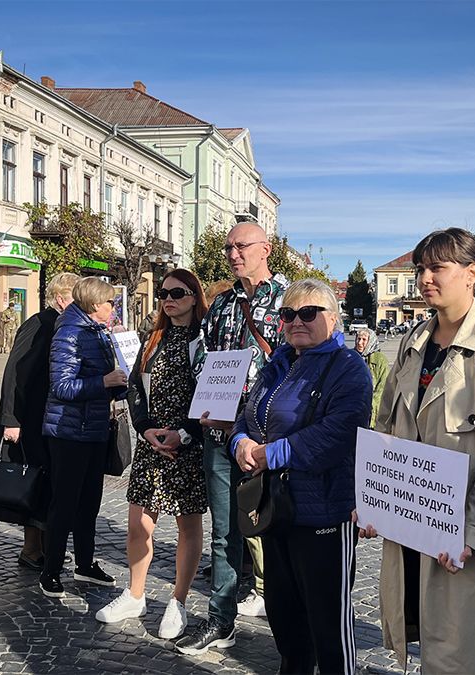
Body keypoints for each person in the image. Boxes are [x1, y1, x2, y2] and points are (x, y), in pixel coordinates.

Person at [362, 227, 475, 673]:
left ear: (472, 273)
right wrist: (374, 501)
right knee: (425, 637)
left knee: (471, 653)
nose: (425, 278)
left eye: (437, 267)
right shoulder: (413, 342)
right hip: (413, 526)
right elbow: (386, 426)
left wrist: (474, 533)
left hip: (466, 534)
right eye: (421, 268)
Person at [233, 279, 372, 673]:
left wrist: (270, 454)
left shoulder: (348, 368)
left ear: (334, 319)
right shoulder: (277, 363)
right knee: (286, 619)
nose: (297, 321)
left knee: (328, 625)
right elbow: (248, 416)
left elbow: (339, 434)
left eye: (309, 313)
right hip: (276, 510)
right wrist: (241, 442)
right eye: (288, 314)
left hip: (324, 511)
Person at [178, 219, 287, 656]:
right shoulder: (222, 303)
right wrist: (206, 399)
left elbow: (299, 365)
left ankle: (288, 626)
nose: (233, 254)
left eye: (241, 246)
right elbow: (201, 356)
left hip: (266, 438)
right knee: (225, 532)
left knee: (276, 530)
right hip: (219, 434)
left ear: (266, 248)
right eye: (228, 248)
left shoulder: (290, 302)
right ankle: (221, 619)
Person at [96, 269, 209, 640]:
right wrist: (144, 428)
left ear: (194, 296)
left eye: (177, 292)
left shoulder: (206, 340)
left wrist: (184, 434)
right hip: (152, 443)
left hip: (186, 446)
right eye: (163, 293)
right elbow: (134, 389)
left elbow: (212, 397)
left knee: (187, 525)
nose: (168, 299)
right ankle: (135, 593)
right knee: (138, 524)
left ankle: (178, 601)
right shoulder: (152, 338)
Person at [39, 276, 127, 598]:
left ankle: (85, 564)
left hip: (93, 428)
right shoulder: (69, 333)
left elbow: (106, 382)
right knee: (65, 502)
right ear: (94, 305)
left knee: (90, 501)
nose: (113, 308)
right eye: (110, 303)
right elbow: (61, 387)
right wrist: (104, 382)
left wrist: (124, 383)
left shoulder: (98, 332)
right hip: (67, 431)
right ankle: (50, 571)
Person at [0, 273, 78, 570]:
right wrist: (10, 420)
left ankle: (44, 546)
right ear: (62, 298)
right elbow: (16, 373)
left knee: (48, 483)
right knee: (33, 481)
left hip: (48, 419)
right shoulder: (39, 323)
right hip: (30, 418)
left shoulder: (63, 324)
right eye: (76, 297)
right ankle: (31, 549)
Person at [354, 327, 388, 428]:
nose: (360, 343)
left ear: (371, 341)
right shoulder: (350, 356)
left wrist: (368, 403)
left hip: (371, 410)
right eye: (358, 339)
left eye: (364, 340)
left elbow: (383, 386)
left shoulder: (380, 360)